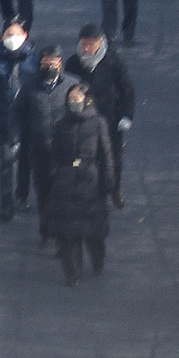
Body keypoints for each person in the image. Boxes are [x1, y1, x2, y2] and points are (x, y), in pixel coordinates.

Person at [47, 79, 114, 285]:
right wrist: (55, 177)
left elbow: (106, 154)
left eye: (77, 98)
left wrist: (109, 183)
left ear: (87, 100)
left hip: (90, 183)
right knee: (68, 234)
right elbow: (55, 155)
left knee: (93, 233)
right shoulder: (60, 125)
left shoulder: (98, 122)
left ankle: (97, 259)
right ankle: (73, 273)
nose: (73, 101)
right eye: (70, 98)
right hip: (66, 184)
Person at [65, 22, 135, 209]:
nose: (86, 48)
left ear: (100, 41)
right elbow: (67, 89)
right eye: (83, 44)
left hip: (110, 119)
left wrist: (127, 115)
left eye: (90, 44)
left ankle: (115, 188)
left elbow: (127, 90)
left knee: (113, 156)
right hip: (84, 118)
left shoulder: (114, 62)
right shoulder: (73, 63)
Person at [0, 21, 39, 223]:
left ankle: (22, 194)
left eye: (16, 34)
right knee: (6, 162)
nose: (12, 38)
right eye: (8, 34)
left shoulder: (35, 60)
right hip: (4, 119)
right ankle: (6, 205)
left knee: (26, 160)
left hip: (29, 119)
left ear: (25, 35)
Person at [21, 43, 69, 242]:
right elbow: (17, 113)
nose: (49, 65)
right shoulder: (29, 86)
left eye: (53, 61)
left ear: (60, 62)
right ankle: (45, 228)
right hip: (39, 149)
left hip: (64, 151)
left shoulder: (71, 85)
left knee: (62, 193)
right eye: (46, 61)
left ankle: (61, 234)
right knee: (43, 192)